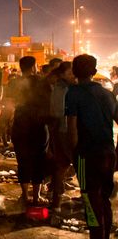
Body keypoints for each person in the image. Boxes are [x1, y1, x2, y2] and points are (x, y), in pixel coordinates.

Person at [66, 54, 118, 239]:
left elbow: (72, 127)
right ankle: (104, 235)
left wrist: (73, 154)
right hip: (108, 153)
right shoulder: (107, 94)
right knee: (104, 198)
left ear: (74, 72)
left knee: (89, 198)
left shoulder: (73, 93)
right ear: (95, 72)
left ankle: (96, 235)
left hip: (86, 155)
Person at [9, 56, 48, 207]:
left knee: (22, 160)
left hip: (20, 125)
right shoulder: (41, 82)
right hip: (38, 124)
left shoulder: (14, 82)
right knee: (39, 159)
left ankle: (25, 195)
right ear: (33, 67)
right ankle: (36, 196)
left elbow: (8, 104)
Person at [47, 61, 74, 212]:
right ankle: (56, 202)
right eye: (69, 73)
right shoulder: (62, 89)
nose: (73, 76)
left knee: (62, 167)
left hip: (65, 132)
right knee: (69, 166)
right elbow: (58, 113)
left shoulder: (65, 87)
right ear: (62, 74)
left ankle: (56, 202)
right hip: (66, 133)